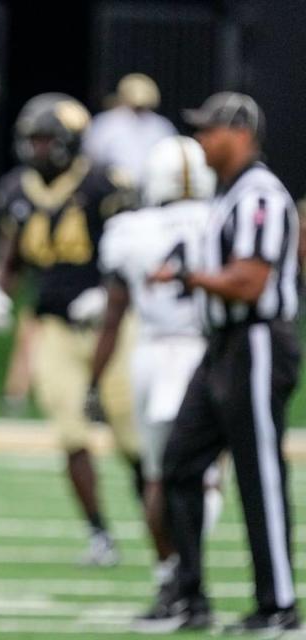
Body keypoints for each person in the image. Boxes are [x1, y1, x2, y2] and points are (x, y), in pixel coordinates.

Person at [148, 92, 301, 633]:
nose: (201, 141)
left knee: (259, 474)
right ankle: (191, 596)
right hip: (222, 345)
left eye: (209, 130)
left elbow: (249, 281)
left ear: (238, 132)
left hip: (256, 341)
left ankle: (278, 604)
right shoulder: (228, 196)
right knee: (179, 464)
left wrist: (190, 279)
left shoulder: (259, 195)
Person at [0, 93, 141, 566]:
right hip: (54, 329)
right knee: (71, 434)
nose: (38, 149)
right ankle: (99, 535)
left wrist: (109, 292)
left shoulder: (106, 184)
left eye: (47, 140)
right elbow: (12, 253)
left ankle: (165, 529)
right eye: (32, 139)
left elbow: (135, 251)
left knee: (131, 438)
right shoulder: (16, 190)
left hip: (112, 327)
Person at [87, 136, 220, 627]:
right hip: (209, 348)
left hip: (152, 352)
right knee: (205, 476)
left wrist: (94, 379)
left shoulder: (129, 229)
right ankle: (191, 572)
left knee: (159, 474)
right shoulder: (221, 215)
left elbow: (116, 311)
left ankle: (173, 575)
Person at [83, 73, 177, 186]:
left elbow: (173, 159)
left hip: (153, 186)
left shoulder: (161, 126)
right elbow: (92, 157)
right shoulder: (107, 122)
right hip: (112, 187)